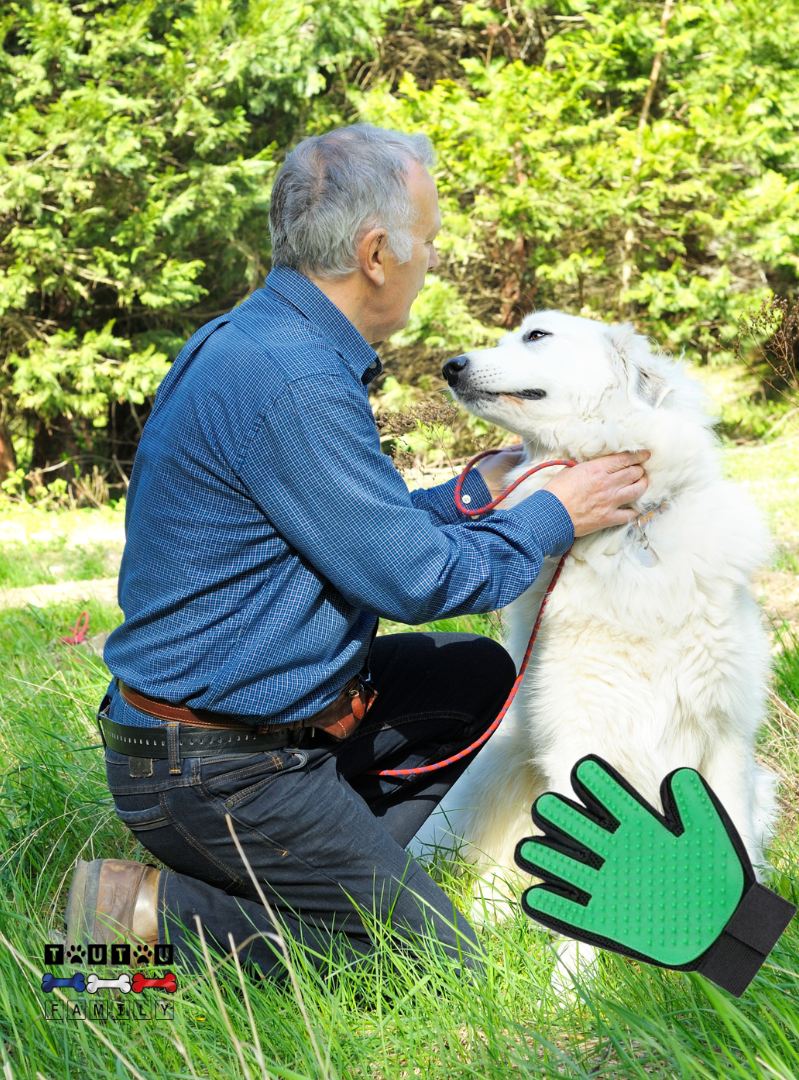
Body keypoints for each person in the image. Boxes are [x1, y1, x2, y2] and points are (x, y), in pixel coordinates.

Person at [63, 124, 649, 980]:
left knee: (474, 678)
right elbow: (418, 579)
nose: (431, 262)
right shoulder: (296, 382)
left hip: (210, 735)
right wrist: (554, 512)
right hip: (220, 770)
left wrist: (466, 499)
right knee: (445, 968)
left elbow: (344, 532)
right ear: (377, 253)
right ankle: (130, 916)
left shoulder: (260, 341)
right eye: (429, 243)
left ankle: (320, 875)